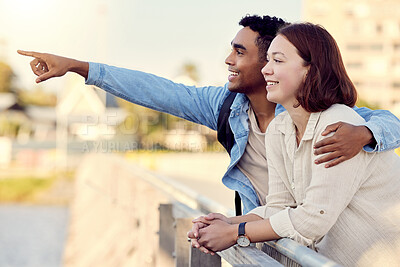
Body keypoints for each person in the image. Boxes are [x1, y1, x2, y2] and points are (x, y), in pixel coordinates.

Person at [18, 15, 400, 214]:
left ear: (271, 61)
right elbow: (159, 91)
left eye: (239, 52)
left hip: (323, 242)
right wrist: (79, 66)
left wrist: (366, 135)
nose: (227, 60)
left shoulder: (319, 111)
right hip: (269, 238)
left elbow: (388, 121)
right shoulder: (224, 108)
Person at [188, 22, 400, 266]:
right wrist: (227, 222)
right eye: (267, 60)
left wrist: (236, 234)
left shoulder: (338, 125)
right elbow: (279, 206)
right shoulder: (280, 129)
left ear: (310, 70)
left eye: (277, 61)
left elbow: (312, 220)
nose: (266, 70)